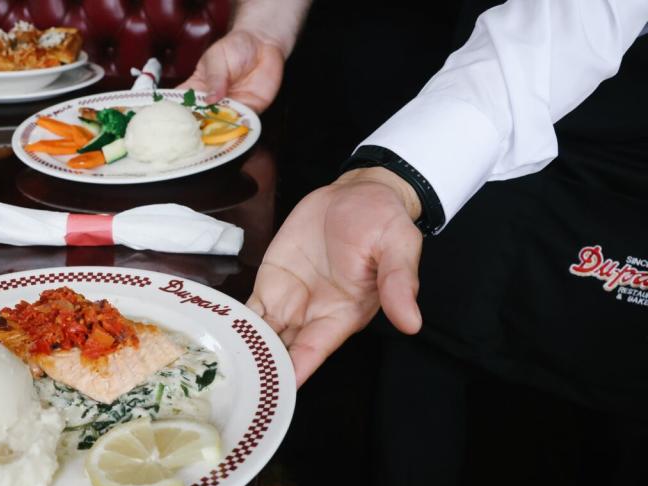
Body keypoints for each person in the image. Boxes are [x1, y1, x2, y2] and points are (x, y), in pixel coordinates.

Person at [183, 0, 648, 386]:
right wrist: (266, 30)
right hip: (359, 103)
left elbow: (572, 21)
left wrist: (395, 174)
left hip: (575, 147)